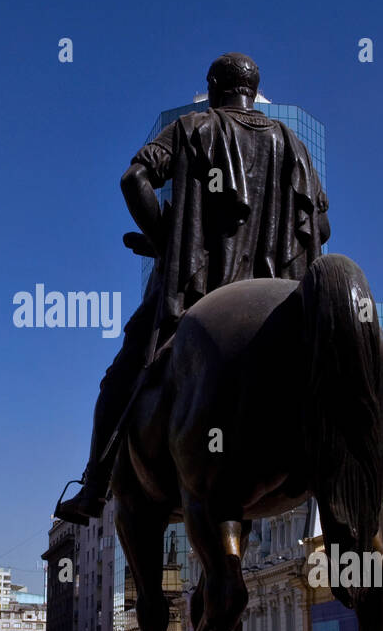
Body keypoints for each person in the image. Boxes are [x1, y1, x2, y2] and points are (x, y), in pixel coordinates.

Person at [54, 53, 329, 525]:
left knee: (120, 376)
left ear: (215, 86)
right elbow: (321, 221)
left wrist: (166, 241)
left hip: (193, 293)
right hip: (283, 301)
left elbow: (133, 179)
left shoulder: (192, 128)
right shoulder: (294, 145)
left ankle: (95, 486)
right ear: (251, 88)